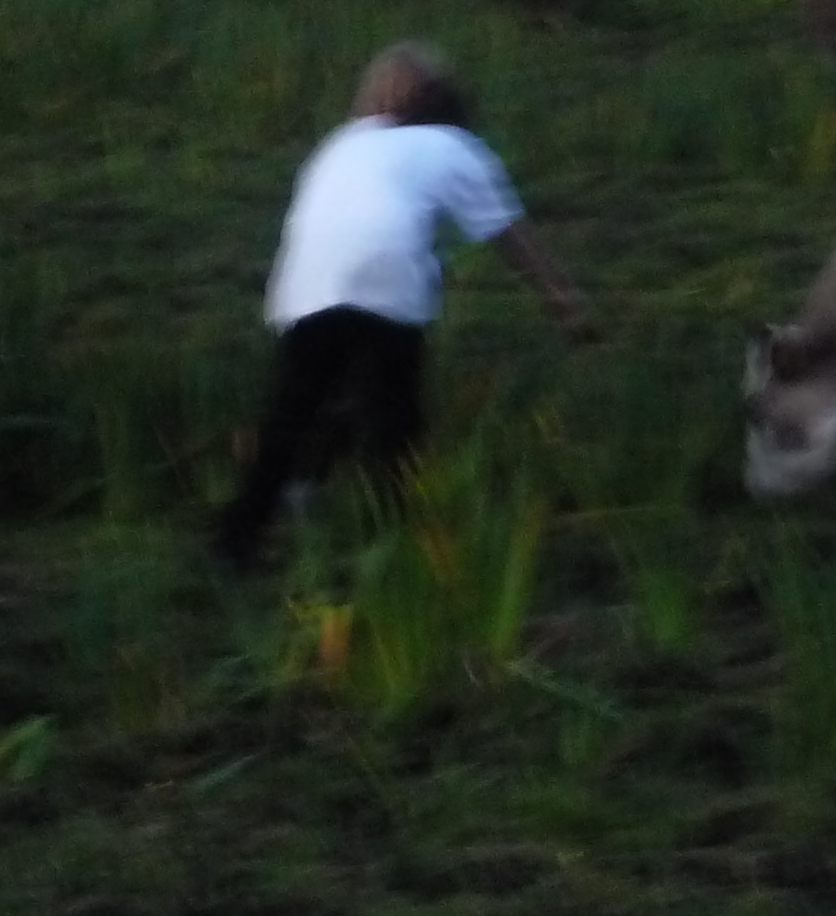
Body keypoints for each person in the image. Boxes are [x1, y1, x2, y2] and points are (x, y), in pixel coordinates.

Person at [211, 43, 584, 566]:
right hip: (388, 282)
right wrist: (563, 300)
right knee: (394, 420)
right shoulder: (454, 145)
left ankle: (237, 542)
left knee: (291, 415)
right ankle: (393, 546)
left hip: (306, 284)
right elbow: (511, 236)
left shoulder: (342, 141)